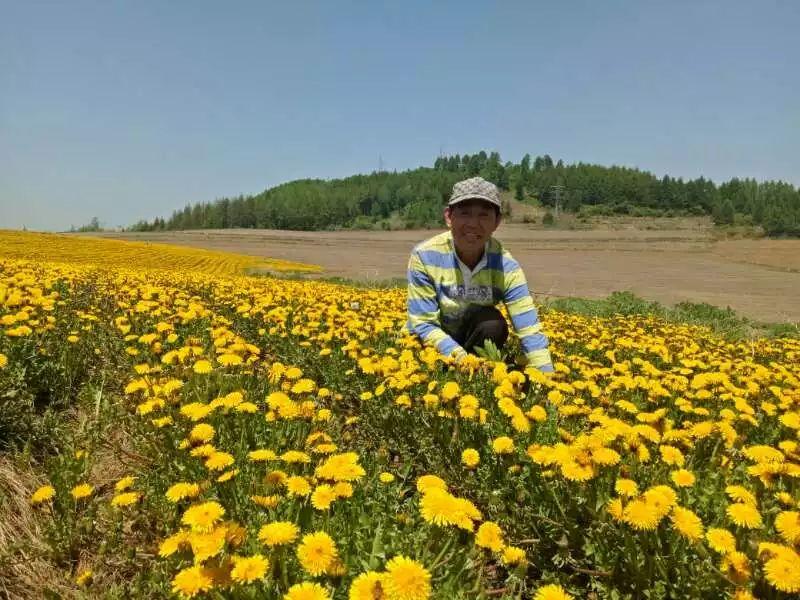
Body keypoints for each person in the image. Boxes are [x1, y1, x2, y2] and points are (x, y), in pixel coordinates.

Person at [406, 176, 553, 372]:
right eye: (465, 213)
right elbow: (423, 324)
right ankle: (462, 372)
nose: (473, 224)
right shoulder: (425, 256)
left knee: (493, 324)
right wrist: (463, 360)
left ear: (497, 221)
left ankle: (471, 374)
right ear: (449, 217)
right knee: (416, 341)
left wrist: (546, 380)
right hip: (429, 341)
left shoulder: (505, 266)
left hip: (471, 338)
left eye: (484, 215)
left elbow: (528, 329)